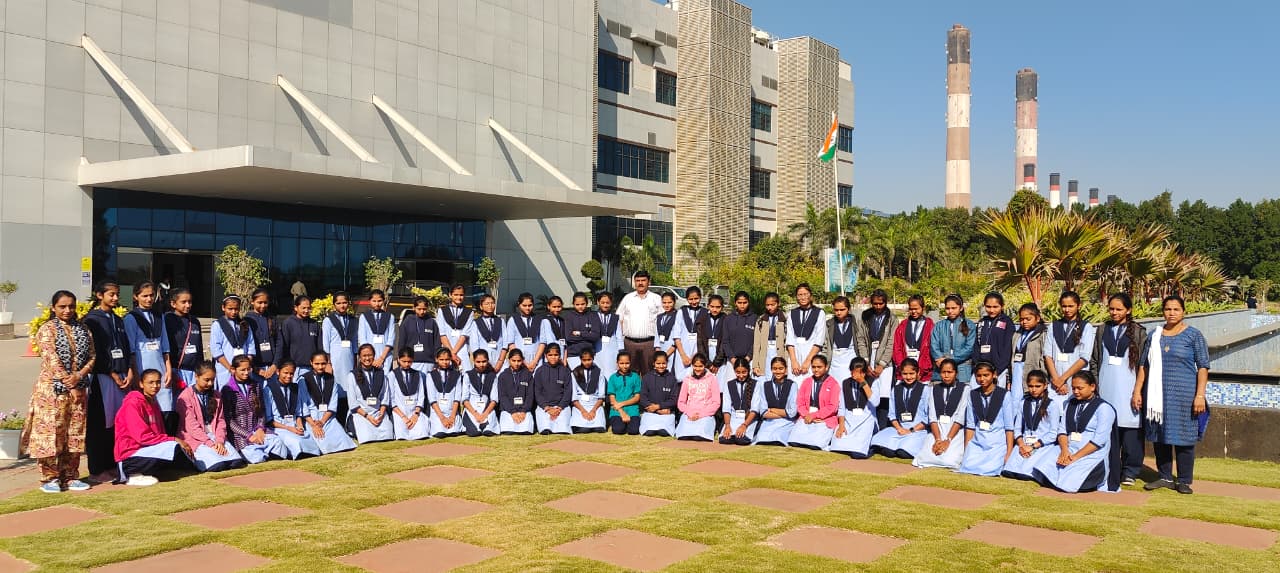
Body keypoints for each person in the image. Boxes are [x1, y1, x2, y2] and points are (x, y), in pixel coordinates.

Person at [23, 290, 95, 493]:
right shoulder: (47, 330)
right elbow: (51, 359)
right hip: (52, 392)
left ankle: (70, 476)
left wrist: (79, 376)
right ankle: (50, 478)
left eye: (71, 306)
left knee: (74, 432)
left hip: (78, 390)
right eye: (62, 306)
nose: (67, 310)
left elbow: (92, 355)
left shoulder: (83, 329)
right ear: (53, 308)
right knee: (50, 433)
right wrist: (70, 383)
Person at [1138, 295, 1211, 494]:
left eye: (1176, 309)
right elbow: (1144, 366)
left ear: (1183, 312)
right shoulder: (1154, 335)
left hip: (1184, 396)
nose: (1171, 313)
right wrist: (1137, 391)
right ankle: (1164, 477)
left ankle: (1184, 480)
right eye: (1168, 309)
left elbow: (1203, 367)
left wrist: (1200, 395)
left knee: (1184, 436)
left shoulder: (1193, 335)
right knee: (1160, 435)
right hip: (1157, 397)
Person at [1092, 293, 1149, 488]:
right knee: (1109, 428)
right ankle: (1110, 467)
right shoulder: (1102, 329)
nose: (1114, 312)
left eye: (1119, 309)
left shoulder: (1139, 332)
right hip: (1105, 387)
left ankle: (1130, 471)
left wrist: (1138, 391)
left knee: (1131, 429)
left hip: (1130, 388)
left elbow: (1143, 364)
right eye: (1111, 309)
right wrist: (1096, 385)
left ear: (1128, 310)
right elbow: (1094, 359)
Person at [1033, 371, 1118, 493]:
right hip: (1068, 448)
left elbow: (1099, 440)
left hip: (1091, 454)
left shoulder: (1104, 408)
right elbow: (1062, 430)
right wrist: (1064, 451)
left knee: (1071, 479)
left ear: (1092, 387)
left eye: (1080, 388)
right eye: (1073, 388)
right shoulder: (1071, 403)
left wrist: (1075, 457)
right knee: (1043, 465)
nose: (1076, 391)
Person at [83, 281, 132, 480]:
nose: (115, 298)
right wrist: (112, 374)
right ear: (99, 295)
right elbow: (97, 352)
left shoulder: (118, 320)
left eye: (117, 294)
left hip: (122, 377)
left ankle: (112, 463)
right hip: (103, 378)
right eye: (111, 294)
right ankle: (96, 469)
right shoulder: (92, 320)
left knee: (117, 423)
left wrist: (129, 371)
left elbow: (126, 348)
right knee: (100, 423)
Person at [113, 369, 193, 486]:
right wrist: (173, 439)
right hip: (129, 456)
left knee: (175, 450)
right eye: (150, 382)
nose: (155, 386)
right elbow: (142, 437)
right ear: (141, 384)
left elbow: (158, 433)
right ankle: (133, 475)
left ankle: (147, 471)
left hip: (146, 449)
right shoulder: (133, 403)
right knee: (173, 446)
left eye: (158, 382)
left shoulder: (153, 402)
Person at [175, 361, 246, 472]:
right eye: (206, 380)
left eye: (212, 380)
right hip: (196, 439)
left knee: (236, 462)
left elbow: (221, 421)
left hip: (215, 436)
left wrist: (220, 441)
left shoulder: (217, 395)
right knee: (217, 466)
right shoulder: (184, 397)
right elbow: (191, 427)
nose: (210, 383)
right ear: (196, 376)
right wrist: (210, 444)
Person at [124, 281, 175, 432]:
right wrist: (135, 374)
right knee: (146, 409)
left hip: (160, 368)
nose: (148, 299)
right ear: (136, 297)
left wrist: (168, 369)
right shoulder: (131, 318)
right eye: (144, 296)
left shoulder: (159, 316)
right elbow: (131, 349)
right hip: (142, 368)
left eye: (151, 295)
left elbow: (165, 345)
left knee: (166, 406)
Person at [957, 362, 1019, 477]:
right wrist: (967, 450)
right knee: (968, 466)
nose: (982, 379)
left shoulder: (1004, 395)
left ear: (994, 375)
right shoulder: (973, 394)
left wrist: (1009, 452)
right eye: (979, 376)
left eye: (986, 375)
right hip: (978, 441)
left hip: (996, 442)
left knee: (991, 469)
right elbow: (970, 425)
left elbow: (1009, 427)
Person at [223, 355, 288, 463]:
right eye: (242, 370)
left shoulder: (255, 385)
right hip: (241, 435)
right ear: (233, 370)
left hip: (257, 430)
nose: (246, 372)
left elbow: (261, 411)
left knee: (278, 444)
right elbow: (229, 421)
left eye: (248, 369)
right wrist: (249, 435)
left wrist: (260, 428)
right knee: (257, 457)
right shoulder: (227, 390)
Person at [1002, 370, 1061, 480]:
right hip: (1024, 444)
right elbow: (1017, 428)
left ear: (1045, 386)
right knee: (1009, 472)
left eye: (1037, 386)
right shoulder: (1023, 402)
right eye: (1030, 386)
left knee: (1026, 473)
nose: (1033, 389)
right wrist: (1021, 445)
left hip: (1042, 445)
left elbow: (1053, 434)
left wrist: (1033, 446)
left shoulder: (1052, 405)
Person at [913, 359, 968, 469]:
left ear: (956, 373)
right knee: (926, 457)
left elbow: (960, 418)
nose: (946, 375)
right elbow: (932, 417)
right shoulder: (934, 388)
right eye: (943, 372)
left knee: (950, 460)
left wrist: (948, 440)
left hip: (955, 431)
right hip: (937, 430)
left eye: (950, 372)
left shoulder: (965, 389)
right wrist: (938, 439)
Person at [870, 358, 929, 459]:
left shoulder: (925, 389)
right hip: (899, 430)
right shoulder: (896, 389)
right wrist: (899, 428)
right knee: (884, 448)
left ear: (918, 372)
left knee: (903, 452)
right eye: (905, 374)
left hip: (917, 431)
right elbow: (892, 414)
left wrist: (911, 430)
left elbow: (928, 417)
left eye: (911, 373)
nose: (908, 377)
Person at [299, 352, 357, 454]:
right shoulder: (303, 379)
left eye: (323, 363)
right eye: (317, 364)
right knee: (322, 441)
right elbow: (303, 405)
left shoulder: (331, 379)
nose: (320, 367)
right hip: (311, 418)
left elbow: (333, 403)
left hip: (327, 417)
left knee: (343, 441)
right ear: (311, 363)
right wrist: (313, 425)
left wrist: (322, 421)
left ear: (327, 363)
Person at [1044, 291, 1096, 406]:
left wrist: (1063, 379)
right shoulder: (1053, 326)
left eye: (1070, 306)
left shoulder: (1086, 327)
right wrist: (1056, 380)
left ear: (1078, 306)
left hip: (1076, 379)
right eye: (1064, 306)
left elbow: (1084, 358)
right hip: (1056, 381)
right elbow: (1048, 355)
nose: (1067, 310)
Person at [856, 289, 897, 429]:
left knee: (884, 396)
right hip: (869, 360)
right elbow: (861, 339)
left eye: (881, 303)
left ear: (886, 302)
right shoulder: (865, 316)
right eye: (875, 303)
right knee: (869, 394)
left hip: (885, 363)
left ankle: (883, 427)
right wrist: (866, 362)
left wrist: (882, 364)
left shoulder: (892, 318)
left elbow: (891, 342)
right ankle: (870, 425)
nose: (878, 306)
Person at [265, 361, 323, 458]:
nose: (289, 376)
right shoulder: (269, 389)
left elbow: (298, 412)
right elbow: (269, 420)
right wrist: (289, 428)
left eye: (291, 373)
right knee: (296, 441)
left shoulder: (295, 388)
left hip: (294, 425)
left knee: (309, 439)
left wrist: (300, 426)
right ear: (278, 372)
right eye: (285, 373)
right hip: (279, 427)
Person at [828, 357, 878, 459]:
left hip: (866, 420)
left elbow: (875, 402)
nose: (856, 375)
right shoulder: (846, 383)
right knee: (837, 447)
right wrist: (841, 425)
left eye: (860, 372)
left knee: (858, 453)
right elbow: (842, 407)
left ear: (864, 372)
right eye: (854, 372)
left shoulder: (873, 382)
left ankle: (871, 448)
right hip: (849, 420)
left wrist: (863, 382)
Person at [788, 354, 840, 450]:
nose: (816, 370)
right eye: (814, 367)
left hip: (824, 419)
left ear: (826, 367)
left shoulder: (834, 384)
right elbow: (800, 403)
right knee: (794, 441)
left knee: (815, 444)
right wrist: (807, 415)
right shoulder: (806, 382)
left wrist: (814, 416)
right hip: (806, 417)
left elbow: (833, 407)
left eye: (819, 367)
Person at [345, 344, 395, 443]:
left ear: (374, 356)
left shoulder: (381, 374)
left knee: (388, 435)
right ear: (359, 358)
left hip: (378, 413)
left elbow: (385, 397)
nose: (367, 358)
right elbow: (352, 403)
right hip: (361, 414)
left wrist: (381, 414)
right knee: (367, 437)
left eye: (370, 355)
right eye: (364, 356)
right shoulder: (352, 376)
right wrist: (368, 417)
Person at [617, 270, 664, 375]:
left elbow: (663, 321)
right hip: (630, 343)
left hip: (649, 344)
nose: (640, 283)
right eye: (638, 281)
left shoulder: (656, 299)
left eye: (643, 280)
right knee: (629, 374)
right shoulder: (627, 298)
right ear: (634, 282)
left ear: (649, 282)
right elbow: (619, 319)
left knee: (649, 374)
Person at [210, 295, 256, 390]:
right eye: (230, 309)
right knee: (227, 392)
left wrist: (245, 366)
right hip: (225, 368)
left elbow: (251, 346)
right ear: (223, 308)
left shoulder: (244, 324)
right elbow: (216, 350)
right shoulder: (217, 325)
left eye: (236, 309)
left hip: (243, 369)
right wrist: (230, 368)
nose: (234, 312)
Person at [164, 288, 204, 390]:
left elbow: (199, 347)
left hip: (194, 371)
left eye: (189, 302)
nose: (188, 305)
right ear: (173, 304)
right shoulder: (167, 320)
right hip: (176, 370)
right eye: (183, 302)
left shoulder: (194, 321)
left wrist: (201, 369)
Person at [973, 293, 1015, 389]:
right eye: (988, 307)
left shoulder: (1007, 322)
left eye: (995, 307)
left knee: (997, 395)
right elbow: (976, 345)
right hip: (981, 368)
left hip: (999, 370)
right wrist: (976, 364)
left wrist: (999, 369)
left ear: (1002, 306)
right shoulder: (982, 322)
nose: (991, 310)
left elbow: (1008, 348)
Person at [930, 294, 975, 384]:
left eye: (954, 308)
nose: (950, 311)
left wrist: (950, 360)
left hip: (962, 369)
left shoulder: (969, 325)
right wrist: (941, 359)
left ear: (961, 308)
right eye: (947, 308)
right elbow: (934, 345)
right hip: (941, 369)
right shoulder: (939, 325)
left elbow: (969, 348)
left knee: (961, 392)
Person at [753, 357, 798, 446]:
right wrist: (784, 413)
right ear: (771, 369)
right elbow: (764, 412)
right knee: (762, 438)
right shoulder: (765, 385)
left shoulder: (792, 385)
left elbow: (792, 412)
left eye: (781, 368)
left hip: (787, 422)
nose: (778, 371)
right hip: (769, 421)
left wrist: (772, 409)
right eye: (775, 369)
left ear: (786, 369)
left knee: (778, 437)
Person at [786, 284, 827, 382]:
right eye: (800, 295)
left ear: (810, 295)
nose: (803, 297)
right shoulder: (792, 313)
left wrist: (808, 361)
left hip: (811, 353)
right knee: (794, 384)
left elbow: (819, 339)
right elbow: (790, 338)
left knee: (810, 384)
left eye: (805, 294)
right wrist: (793, 361)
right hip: (795, 354)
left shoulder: (819, 313)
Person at [675, 353, 719, 441]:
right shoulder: (687, 379)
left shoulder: (712, 379)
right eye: (695, 366)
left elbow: (716, 402)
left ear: (705, 365)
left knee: (699, 435)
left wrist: (701, 414)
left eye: (700, 366)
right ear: (692, 365)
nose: (697, 369)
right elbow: (681, 402)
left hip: (706, 415)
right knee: (684, 435)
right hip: (689, 414)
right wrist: (690, 412)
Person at [388, 349, 430, 441]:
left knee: (422, 433)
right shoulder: (392, 375)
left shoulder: (418, 374)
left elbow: (421, 396)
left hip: (415, 412)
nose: (407, 364)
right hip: (399, 412)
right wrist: (403, 417)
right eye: (404, 361)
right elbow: (391, 398)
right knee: (401, 435)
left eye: (409, 362)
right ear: (398, 359)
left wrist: (416, 415)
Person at [321, 292, 358, 396]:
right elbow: (326, 343)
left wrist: (356, 362)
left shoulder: (353, 320)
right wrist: (328, 363)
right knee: (336, 386)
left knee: (349, 385)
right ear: (334, 305)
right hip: (335, 359)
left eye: (344, 303)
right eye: (339, 303)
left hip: (349, 358)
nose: (342, 306)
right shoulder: (329, 320)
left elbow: (355, 342)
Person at [533, 343, 573, 434]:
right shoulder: (540, 371)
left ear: (560, 355)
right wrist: (547, 408)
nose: (553, 357)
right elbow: (537, 392)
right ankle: (546, 428)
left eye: (556, 355)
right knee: (545, 426)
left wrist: (559, 407)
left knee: (563, 428)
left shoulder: (565, 371)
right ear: (545, 355)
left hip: (561, 407)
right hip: (545, 407)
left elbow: (568, 392)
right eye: (550, 355)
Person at [892, 295, 934, 382]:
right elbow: (897, 348)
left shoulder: (930, 326)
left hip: (923, 373)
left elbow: (930, 349)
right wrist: (903, 368)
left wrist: (921, 371)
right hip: (904, 372)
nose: (913, 311)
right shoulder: (902, 325)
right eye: (911, 309)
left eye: (916, 309)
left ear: (923, 308)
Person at [638, 353, 680, 437]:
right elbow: (643, 398)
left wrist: (660, 406)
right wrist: (656, 409)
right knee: (649, 432)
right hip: (650, 412)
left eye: (663, 363)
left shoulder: (672, 378)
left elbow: (674, 399)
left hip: (666, 413)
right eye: (658, 363)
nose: (661, 366)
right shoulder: (647, 377)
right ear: (653, 363)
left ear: (667, 363)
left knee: (664, 432)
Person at [718, 358, 758, 445]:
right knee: (725, 440)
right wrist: (727, 426)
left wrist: (744, 425)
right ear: (734, 371)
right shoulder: (729, 384)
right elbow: (726, 408)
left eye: (744, 372)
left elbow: (754, 409)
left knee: (741, 440)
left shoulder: (756, 384)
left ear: (748, 370)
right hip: (732, 419)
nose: (741, 375)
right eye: (738, 372)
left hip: (748, 420)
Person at [278, 296, 321, 377]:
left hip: (312, 368)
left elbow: (319, 346)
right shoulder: (288, 323)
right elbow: (284, 346)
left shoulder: (314, 324)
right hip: (295, 368)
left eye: (308, 308)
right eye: (303, 308)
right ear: (296, 308)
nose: (306, 310)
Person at [497, 349, 537, 434]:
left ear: (522, 360)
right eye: (513, 361)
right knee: (508, 431)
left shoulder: (528, 375)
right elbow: (502, 396)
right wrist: (513, 412)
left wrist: (524, 411)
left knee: (526, 431)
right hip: (508, 411)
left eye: (519, 361)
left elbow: (530, 395)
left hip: (524, 410)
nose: (516, 363)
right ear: (509, 360)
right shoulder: (503, 376)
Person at [671, 286, 706, 381]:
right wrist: (683, 355)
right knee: (680, 378)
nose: (694, 302)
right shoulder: (681, 312)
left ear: (700, 297)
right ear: (687, 299)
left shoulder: (705, 312)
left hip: (697, 351)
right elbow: (676, 335)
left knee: (696, 376)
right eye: (691, 299)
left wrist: (695, 356)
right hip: (682, 350)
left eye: (696, 298)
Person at [462, 349, 500, 437]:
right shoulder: (468, 375)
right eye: (478, 362)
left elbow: (494, 399)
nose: (481, 364)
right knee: (474, 432)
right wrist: (475, 414)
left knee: (488, 431)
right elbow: (465, 399)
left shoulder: (492, 376)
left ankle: (487, 426)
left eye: (484, 361)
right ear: (473, 361)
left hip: (487, 409)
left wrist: (485, 414)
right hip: (472, 409)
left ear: (488, 361)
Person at [245, 288, 280, 384]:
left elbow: (279, 343)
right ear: (252, 302)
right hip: (255, 369)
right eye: (259, 302)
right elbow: (246, 346)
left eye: (265, 303)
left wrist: (275, 365)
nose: (263, 305)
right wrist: (254, 368)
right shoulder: (247, 320)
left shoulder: (272, 319)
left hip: (272, 368)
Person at [358, 289, 397, 375]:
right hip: (369, 358)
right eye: (374, 301)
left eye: (379, 301)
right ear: (369, 301)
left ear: (384, 301)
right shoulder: (364, 317)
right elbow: (362, 339)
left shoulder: (390, 317)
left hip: (385, 356)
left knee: (386, 378)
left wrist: (381, 358)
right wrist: (371, 358)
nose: (377, 303)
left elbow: (391, 338)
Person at [397, 296, 440, 374]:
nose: (422, 311)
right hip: (411, 361)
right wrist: (400, 356)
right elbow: (402, 341)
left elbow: (437, 343)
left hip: (428, 362)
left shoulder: (432, 322)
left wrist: (437, 359)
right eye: (419, 309)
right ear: (413, 308)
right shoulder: (408, 321)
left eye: (424, 309)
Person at [506, 293, 547, 372]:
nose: (527, 308)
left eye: (530, 305)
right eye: (524, 305)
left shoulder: (539, 319)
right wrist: (522, 362)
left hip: (536, 360)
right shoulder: (513, 320)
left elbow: (543, 342)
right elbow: (511, 343)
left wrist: (535, 362)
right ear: (519, 304)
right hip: (519, 361)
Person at [569, 348, 607, 433]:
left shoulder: (599, 372)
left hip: (595, 404)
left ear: (593, 358)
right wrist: (583, 411)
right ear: (580, 359)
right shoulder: (575, 372)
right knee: (583, 430)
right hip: (580, 405)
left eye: (589, 359)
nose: (587, 362)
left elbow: (601, 396)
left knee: (599, 429)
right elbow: (574, 396)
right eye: (584, 360)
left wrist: (593, 410)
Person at [1010, 303, 1048, 390]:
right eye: (1021, 319)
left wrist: (1044, 377)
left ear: (1037, 318)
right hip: (1016, 373)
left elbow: (1045, 358)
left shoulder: (1043, 334)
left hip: (1034, 376)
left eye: (1028, 319)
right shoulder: (1017, 334)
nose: (1024, 322)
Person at [752, 292, 787, 382]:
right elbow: (756, 344)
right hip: (765, 353)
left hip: (779, 352)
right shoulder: (761, 320)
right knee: (765, 379)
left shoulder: (785, 319)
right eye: (767, 305)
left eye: (772, 304)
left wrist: (786, 361)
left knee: (779, 378)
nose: (770, 307)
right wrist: (755, 364)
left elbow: (787, 343)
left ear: (778, 304)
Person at [469, 295, 507, 372]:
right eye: (487, 304)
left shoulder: (500, 321)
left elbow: (505, 343)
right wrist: (484, 363)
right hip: (483, 362)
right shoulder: (476, 323)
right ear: (481, 306)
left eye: (492, 303)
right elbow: (474, 345)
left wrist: (500, 362)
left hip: (499, 360)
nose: (490, 306)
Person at [825, 296, 859, 384]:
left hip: (851, 357)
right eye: (836, 310)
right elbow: (826, 345)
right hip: (835, 361)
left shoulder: (856, 323)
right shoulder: (829, 324)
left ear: (848, 309)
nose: (839, 312)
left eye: (842, 309)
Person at [563, 292, 601, 370]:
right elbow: (569, 337)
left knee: (590, 376)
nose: (580, 306)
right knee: (577, 376)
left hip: (590, 354)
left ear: (587, 303)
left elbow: (595, 336)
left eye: (583, 304)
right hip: (574, 354)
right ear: (573, 304)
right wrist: (588, 335)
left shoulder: (593, 316)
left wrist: (579, 333)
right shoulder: (569, 316)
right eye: (577, 304)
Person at [608, 353, 643, 435]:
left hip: (632, 409)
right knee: (618, 430)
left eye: (627, 363)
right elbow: (612, 399)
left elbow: (637, 397)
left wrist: (622, 404)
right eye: (621, 363)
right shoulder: (612, 378)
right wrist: (622, 413)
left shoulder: (635, 377)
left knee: (634, 431)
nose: (625, 366)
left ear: (630, 363)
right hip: (616, 410)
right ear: (617, 363)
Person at [697, 294, 729, 383]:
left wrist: (716, 362)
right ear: (708, 306)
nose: (715, 309)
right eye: (712, 306)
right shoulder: (702, 320)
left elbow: (725, 342)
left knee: (720, 385)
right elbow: (700, 343)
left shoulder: (726, 320)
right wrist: (708, 363)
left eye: (718, 307)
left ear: (722, 307)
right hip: (706, 359)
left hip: (721, 360)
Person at [593, 293, 622, 378]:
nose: (605, 305)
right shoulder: (593, 316)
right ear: (598, 302)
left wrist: (621, 351)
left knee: (611, 371)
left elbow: (619, 335)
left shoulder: (615, 317)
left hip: (612, 348)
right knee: (599, 372)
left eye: (607, 303)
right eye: (602, 303)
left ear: (611, 303)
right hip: (598, 348)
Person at [654, 292, 679, 371]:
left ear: (674, 302)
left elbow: (677, 337)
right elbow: (657, 334)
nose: (667, 305)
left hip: (672, 350)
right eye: (664, 303)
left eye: (669, 302)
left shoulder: (678, 316)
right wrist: (658, 351)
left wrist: (666, 355)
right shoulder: (660, 317)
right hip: (661, 348)